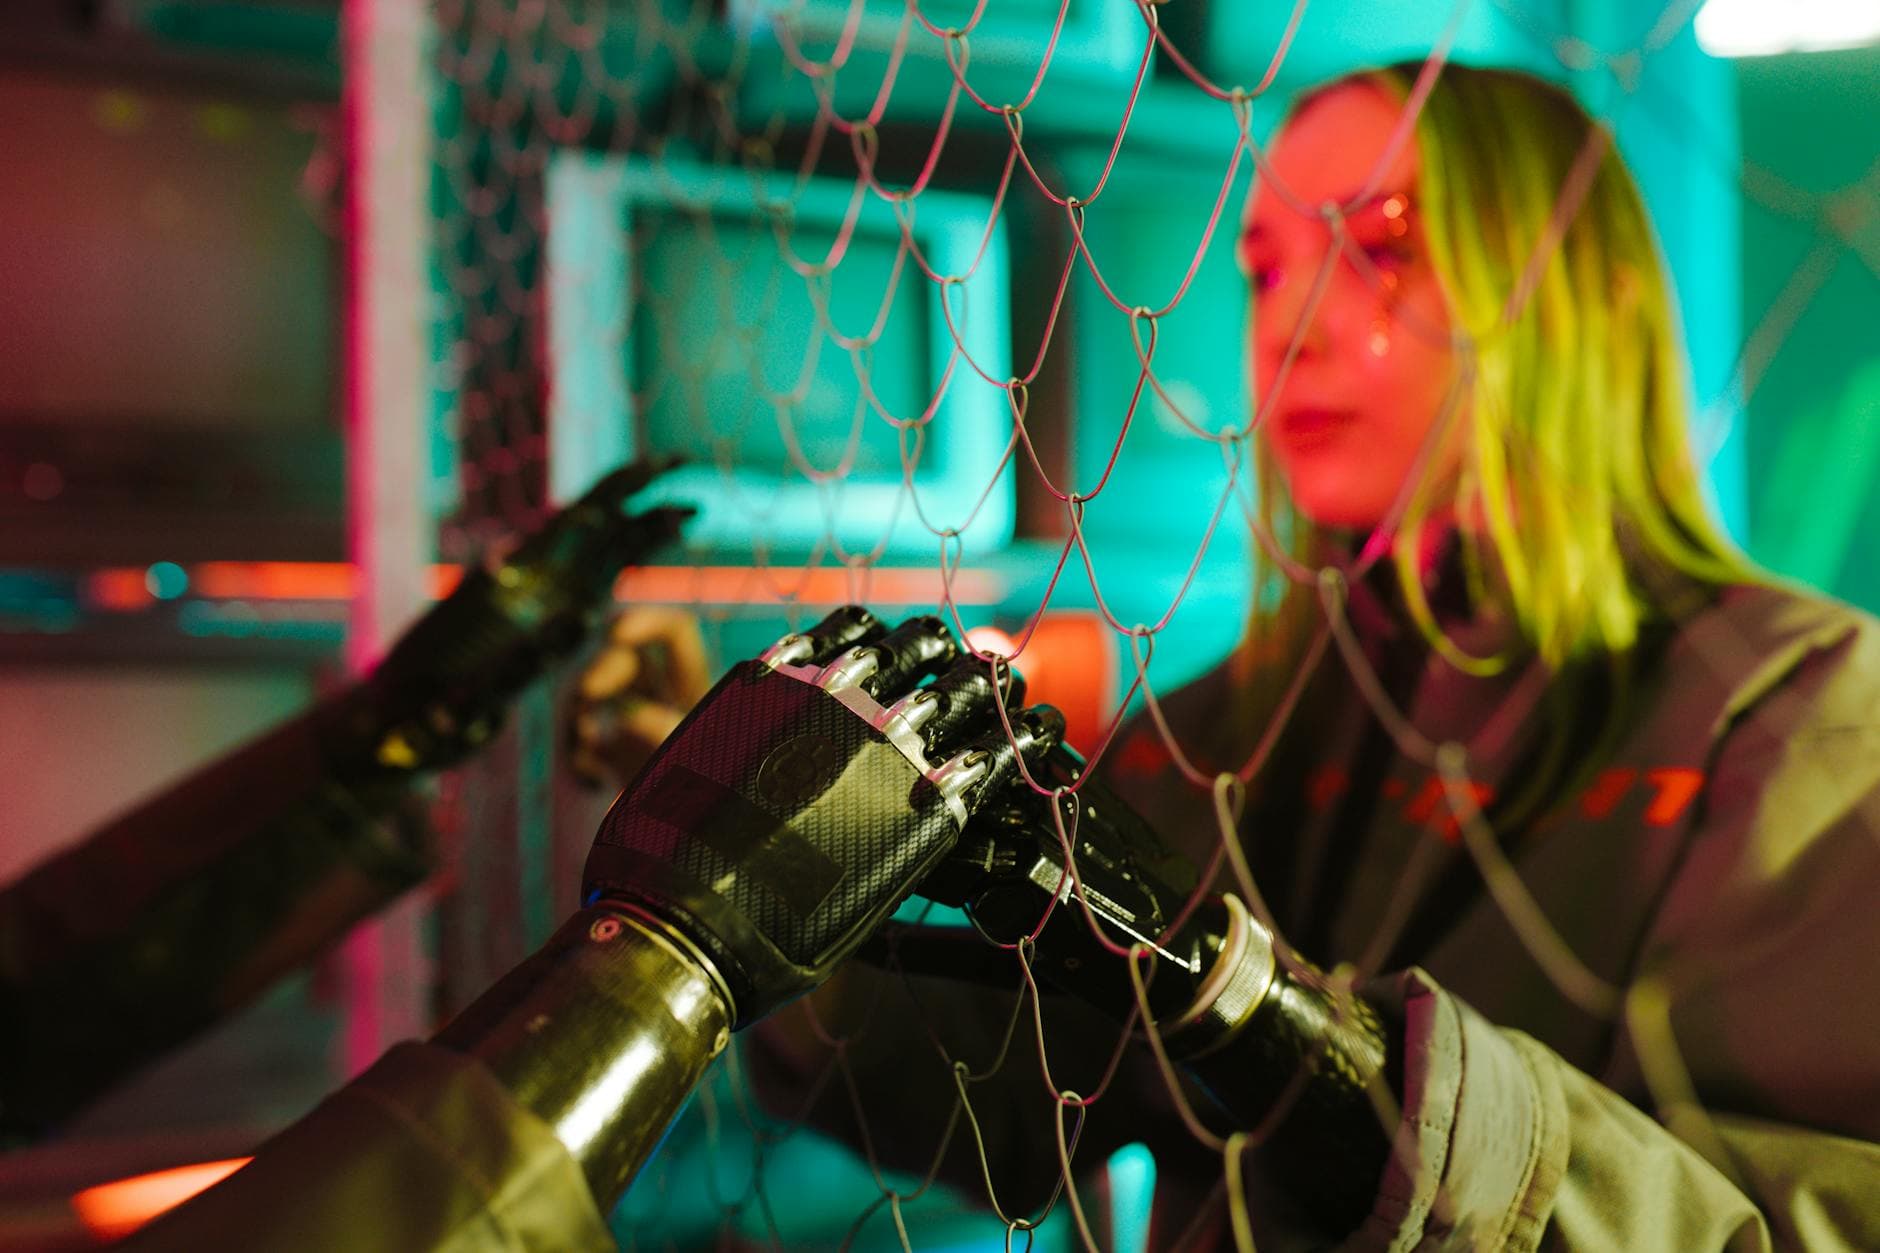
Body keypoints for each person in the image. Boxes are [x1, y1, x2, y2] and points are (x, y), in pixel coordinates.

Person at [572, 64, 1880, 1249]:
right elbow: (1012, 1092)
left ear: (1578, 296)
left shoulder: (1805, 716)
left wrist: (1365, 1088)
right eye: (1262, 271)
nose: (1293, 324)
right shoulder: (1238, 725)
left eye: (1384, 246)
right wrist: (750, 844)